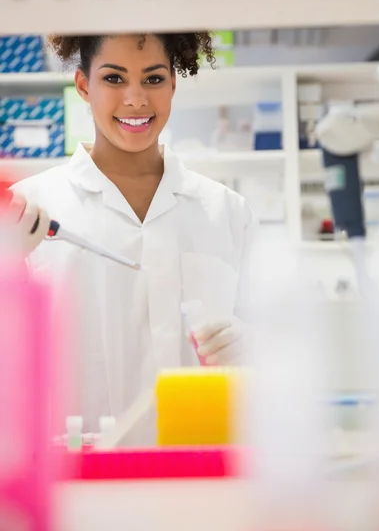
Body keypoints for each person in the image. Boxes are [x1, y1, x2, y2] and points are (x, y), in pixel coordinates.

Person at [11, 32, 257, 443]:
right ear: (84, 87)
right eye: (114, 79)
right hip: (78, 473)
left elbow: (275, 355)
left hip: (198, 468)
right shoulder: (29, 208)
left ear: (173, 85)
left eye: (154, 79)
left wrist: (254, 348)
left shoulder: (226, 212)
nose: (136, 99)